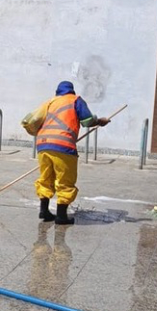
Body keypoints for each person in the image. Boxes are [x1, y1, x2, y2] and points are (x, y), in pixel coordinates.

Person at [33, 81, 109, 225]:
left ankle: (44, 210)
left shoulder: (50, 102)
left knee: (46, 177)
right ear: (71, 91)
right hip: (63, 146)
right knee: (65, 180)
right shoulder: (75, 100)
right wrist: (100, 121)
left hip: (43, 144)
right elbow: (87, 121)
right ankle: (61, 216)